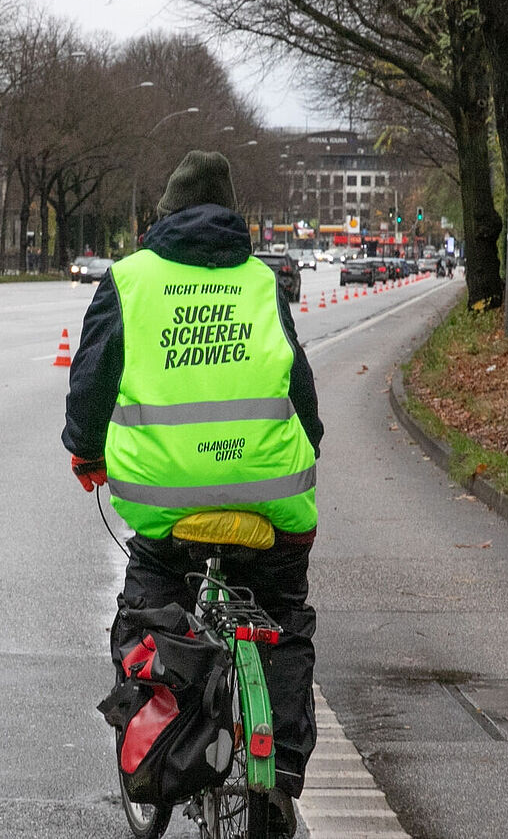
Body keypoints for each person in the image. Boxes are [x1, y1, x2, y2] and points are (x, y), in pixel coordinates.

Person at [63, 150, 322, 838]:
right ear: (233, 216)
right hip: (270, 500)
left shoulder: (130, 280)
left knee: (149, 606)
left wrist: (85, 451)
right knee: (281, 617)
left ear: (165, 214)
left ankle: (163, 746)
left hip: (167, 501)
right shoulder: (262, 281)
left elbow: (92, 381)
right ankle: (279, 769)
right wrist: (310, 445)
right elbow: (300, 390)